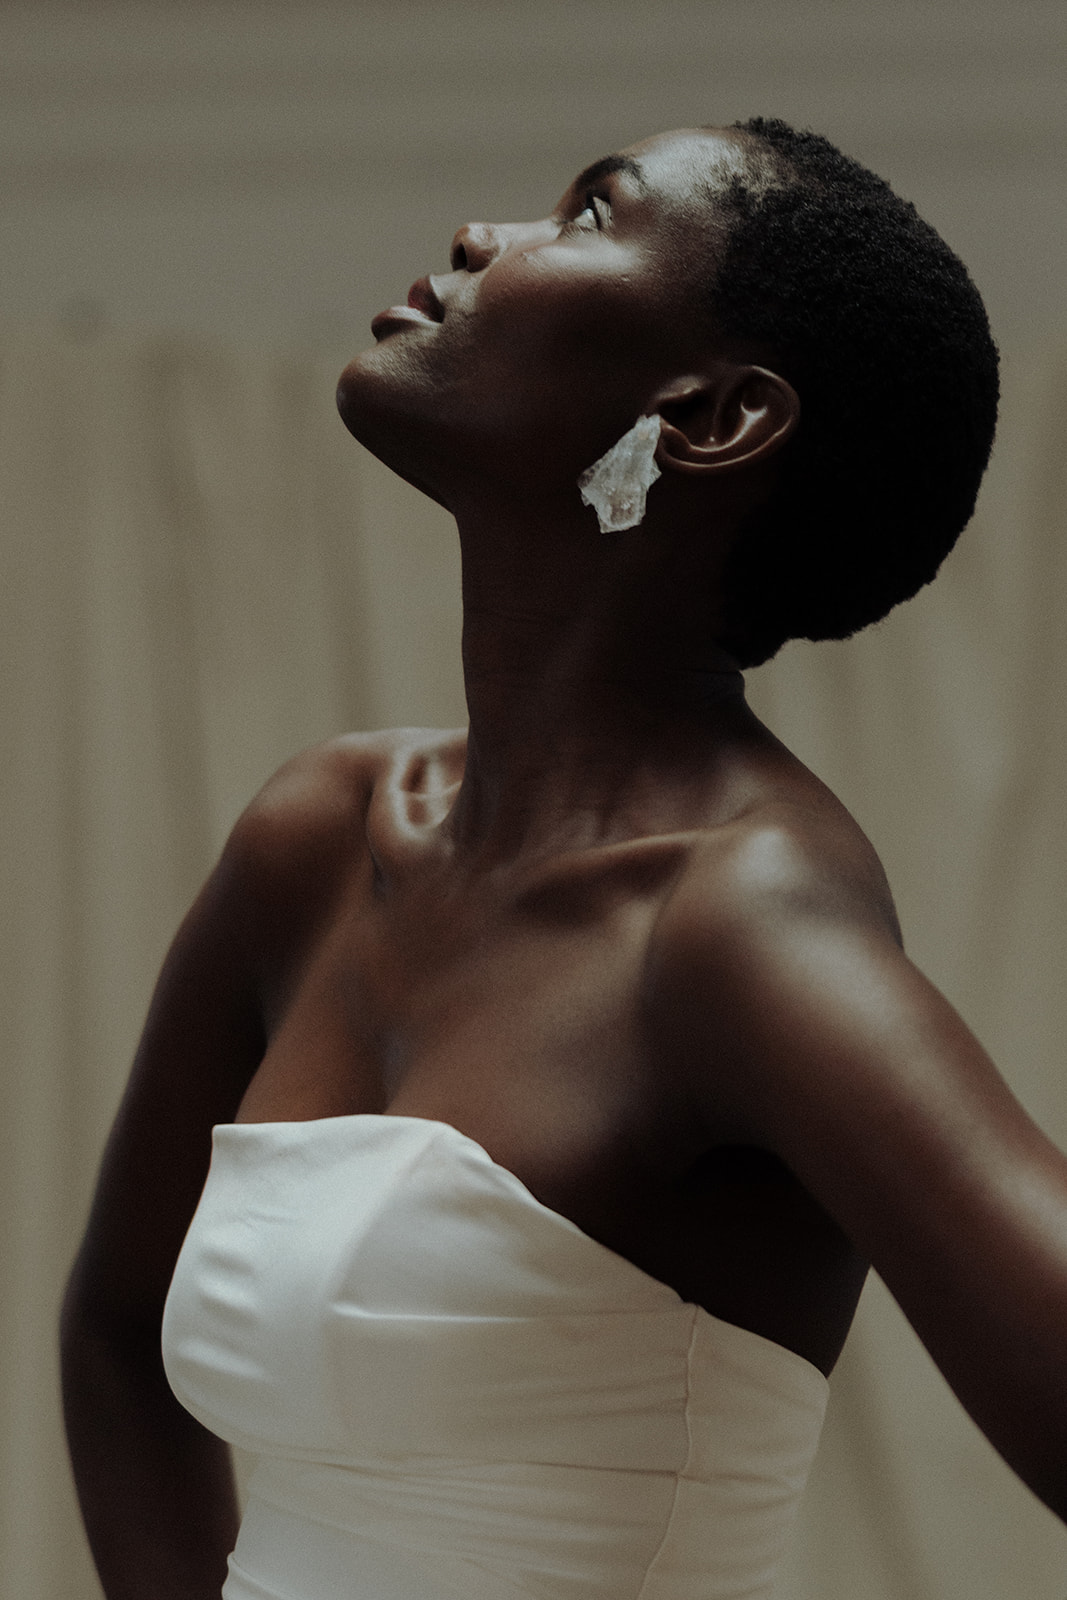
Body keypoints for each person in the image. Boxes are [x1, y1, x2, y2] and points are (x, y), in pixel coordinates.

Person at [60, 118, 1065, 1600]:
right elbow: (118, 1339)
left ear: (712, 416)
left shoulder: (732, 928)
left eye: (590, 214)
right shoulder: (322, 835)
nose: (483, 239)